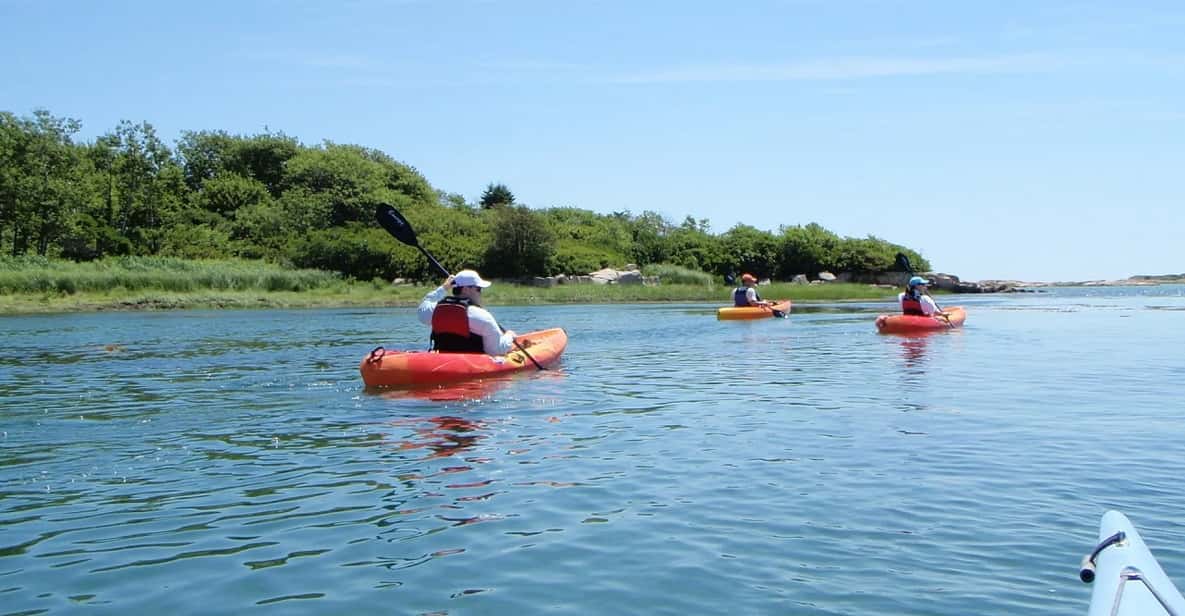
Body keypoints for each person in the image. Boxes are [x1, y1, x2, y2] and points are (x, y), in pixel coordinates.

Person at [417, 269, 516, 355]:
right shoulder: (481, 316)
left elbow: (424, 305)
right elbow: (496, 350)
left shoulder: (436, 309)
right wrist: (509, 336)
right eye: (478, 289)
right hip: (473, 365)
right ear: (465, 289)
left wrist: (444, 288)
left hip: (444, 358)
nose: (480, 293)